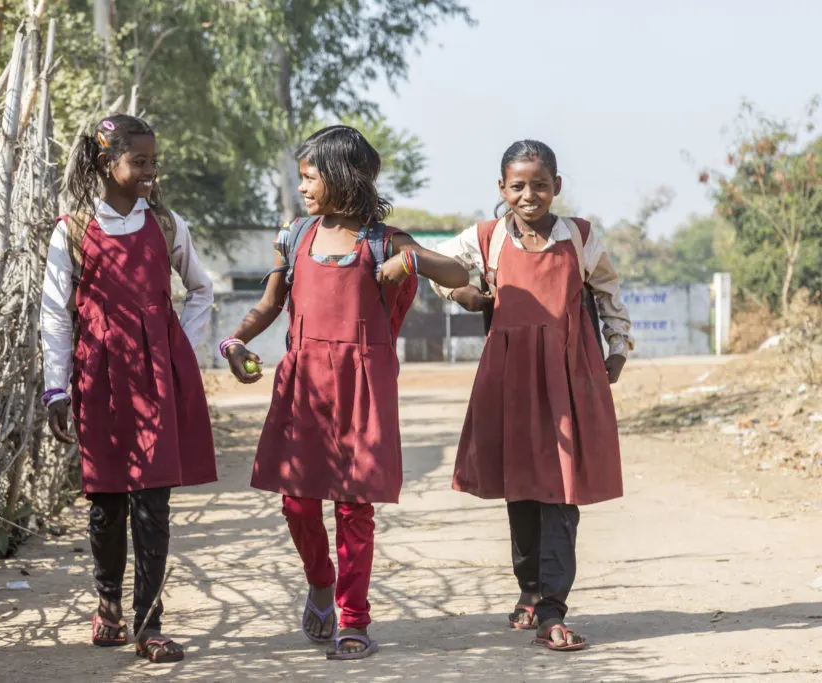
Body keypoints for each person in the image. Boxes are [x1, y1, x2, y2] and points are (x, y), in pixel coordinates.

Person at [220, 125, 470, 660]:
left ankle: (353, 619)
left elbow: (458, 269)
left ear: (342, 177)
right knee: (297, 505)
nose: (303, 187)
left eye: (311, 177)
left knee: (355, 510)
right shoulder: (295, 236)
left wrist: (415, 261)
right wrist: (234, 340)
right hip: (303, 385)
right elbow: (268, 306)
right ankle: (320, 579)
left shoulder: (384, 240)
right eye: (302, 177)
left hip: (363, 387)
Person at [432, 139, 634, 652]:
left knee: (562, 494)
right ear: (502, 188)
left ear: (557, 187)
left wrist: (618, 348)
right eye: (518, 186)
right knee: (521, 491)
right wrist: (464, 293)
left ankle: (552, 610)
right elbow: (439, 271)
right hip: (510, 380)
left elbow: (609, 293)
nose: (529, 195)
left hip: (569, 377)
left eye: (539, 185)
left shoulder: (580, 237)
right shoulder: (485, 237)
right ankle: (529, 591)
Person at [39, 114, 216, 663]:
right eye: (138, 161)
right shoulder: (70, 231)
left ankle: (150, 622)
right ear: (104, 163)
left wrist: (176, 351)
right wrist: (55, 388)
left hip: (154, 383)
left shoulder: (165, 224)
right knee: (106, 504)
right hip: (97, 379)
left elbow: (201, 290)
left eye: (152, 161)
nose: (149, 171)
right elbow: (55, 316)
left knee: (153, 503)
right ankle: (109, 608)